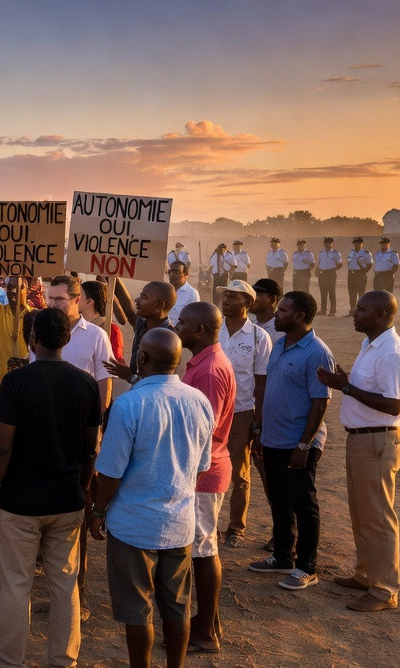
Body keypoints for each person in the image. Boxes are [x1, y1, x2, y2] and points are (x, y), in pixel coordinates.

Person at [89, 328, 215, 668]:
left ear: (141, 359)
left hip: (133, 525)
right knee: (177, 607)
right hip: (179, 523)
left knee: (137, 610)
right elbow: (201, 467)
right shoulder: (199, 401)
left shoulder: (129, 404)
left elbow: (111, 472)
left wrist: (98, 512)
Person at [0, 308, 101, 668]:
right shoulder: (86, 384)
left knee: (17, 586)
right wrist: (81, 487)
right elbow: (90, 448)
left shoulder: (16, 382)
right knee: (65, 585)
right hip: (67, 500)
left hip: (20, 502)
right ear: (66, 340)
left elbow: (2, 446)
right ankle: (63, 661)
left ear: (32, 339)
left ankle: (10, 663)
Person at [316, 290, 400, 612]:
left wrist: (344, 386)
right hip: (362, 438)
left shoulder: (392, 353)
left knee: (378, 518)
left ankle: (385, 591)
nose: (355, 314)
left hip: (378, 439)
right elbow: (369, 391)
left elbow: (393, 403)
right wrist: (345, 380)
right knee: (361, 514)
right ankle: (367, 574)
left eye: (362, 310)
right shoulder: (371, 344)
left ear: (382, 315)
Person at [250, 291, 335, 591]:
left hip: (298, 444)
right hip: (272, 439)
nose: (277, 314)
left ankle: (306, 567)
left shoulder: (317, 352)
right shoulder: (279, 345)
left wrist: (304, 445)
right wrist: (259, 431)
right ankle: (282, 556)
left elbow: (320, 402)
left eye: (283, 311)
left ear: (300, 316)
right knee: (278, 500)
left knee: (303, 503)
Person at [173, 301, 236, 654]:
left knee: (202, 548)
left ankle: (204, 630)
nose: (176, 326)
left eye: (182, 322)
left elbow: (203, 431)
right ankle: (207, 621)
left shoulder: (209, 371)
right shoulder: (202, 363)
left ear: (198, 330)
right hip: (204, 468)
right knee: (201, 546)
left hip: (204, 470)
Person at [218, 281, 273, 550]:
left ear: (247, 304)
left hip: (240, 412)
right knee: (204, 466)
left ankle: (236, 527)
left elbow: (262, 383)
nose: (225, 300)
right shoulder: (213, 330)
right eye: (225, 295)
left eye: (232, 297)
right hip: (211, 410)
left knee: (239, 473)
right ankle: (207, 522)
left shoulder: (258, 338)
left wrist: (258, 422)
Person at [45, 275, 112, 407]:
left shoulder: (97, 335)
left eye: (59, 299)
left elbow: (104, 385)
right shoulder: (40, 330)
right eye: (50, 298)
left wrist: (94, 421)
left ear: (76, 300)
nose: (52, 304)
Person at [108, 279, 176, 378]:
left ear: (159, 306)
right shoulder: (142, 325)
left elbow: (160, 382)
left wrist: (129, 377)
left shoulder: (168, 340)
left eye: (144, 298)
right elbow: (130, 313)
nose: (137, 300)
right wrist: (113, 277)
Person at [80, 280, 124, 361]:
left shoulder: (111, 329)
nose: (73, 299)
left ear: (89, 301)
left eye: (79, 295)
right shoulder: (73, 324)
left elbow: (115, 363)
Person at [316, 237, 343, 316]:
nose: (327, 244)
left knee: (331, 292)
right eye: (326, 242)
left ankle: (332, 310)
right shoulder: (321, 253)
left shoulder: (336, 253)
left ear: (332, 244)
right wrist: (317, 270)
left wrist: (333, 270)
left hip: (331, 274)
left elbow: (340, 264)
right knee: (323, 293)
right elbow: (320, 262)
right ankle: (323, 310)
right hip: (322, 274)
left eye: (329, 242)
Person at [166, 261, 199, 326]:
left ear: (186, 274)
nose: (172, 275)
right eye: (170, 272)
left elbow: (193, 318)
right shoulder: (165, 290)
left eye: (176, 272)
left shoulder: (192, 293)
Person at [250, 277, 282, 342]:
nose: (253, 298)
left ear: (273, 299)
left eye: (257, 294)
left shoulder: (279, 331)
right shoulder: (251, 325)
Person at [347, 237, 373, 314]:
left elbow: (370, 263)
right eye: (355, 243)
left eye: (358, 243)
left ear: (362, 244)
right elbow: (348, 262)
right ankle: (352, 310)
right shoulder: (351, 252)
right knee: (352, 293)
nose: (357, 245)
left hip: (360, 274)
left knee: (361, 293)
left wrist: (364, 271)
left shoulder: (365, 253)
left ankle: (361, 311)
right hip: (351, 274)